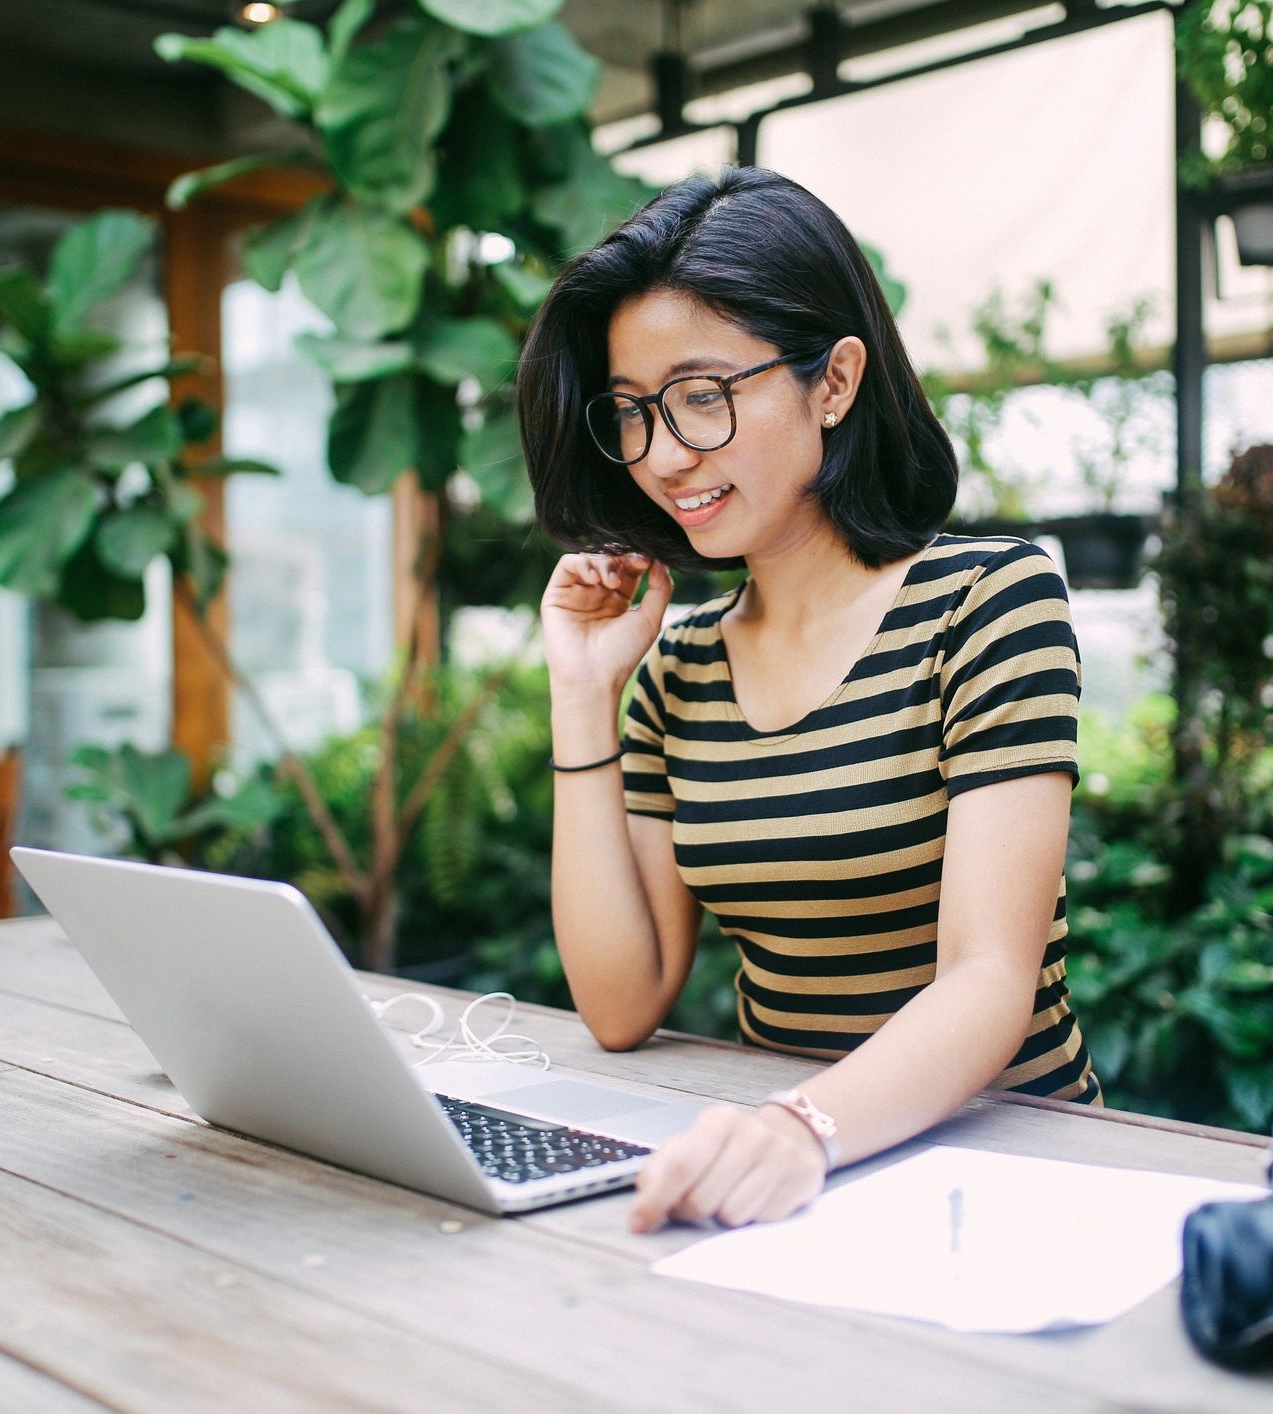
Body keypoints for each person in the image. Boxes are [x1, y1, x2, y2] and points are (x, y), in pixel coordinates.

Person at [514, 166, 1101, 1235]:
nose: (664, 456)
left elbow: (987, 976)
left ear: (832, 383)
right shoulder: (681, 668)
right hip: (790, 1185)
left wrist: (801, 1128)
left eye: (704, 396)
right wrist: (582, 691)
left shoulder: (987, 603)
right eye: (635, 412)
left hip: (1006, 1171)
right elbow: (620, 1000)